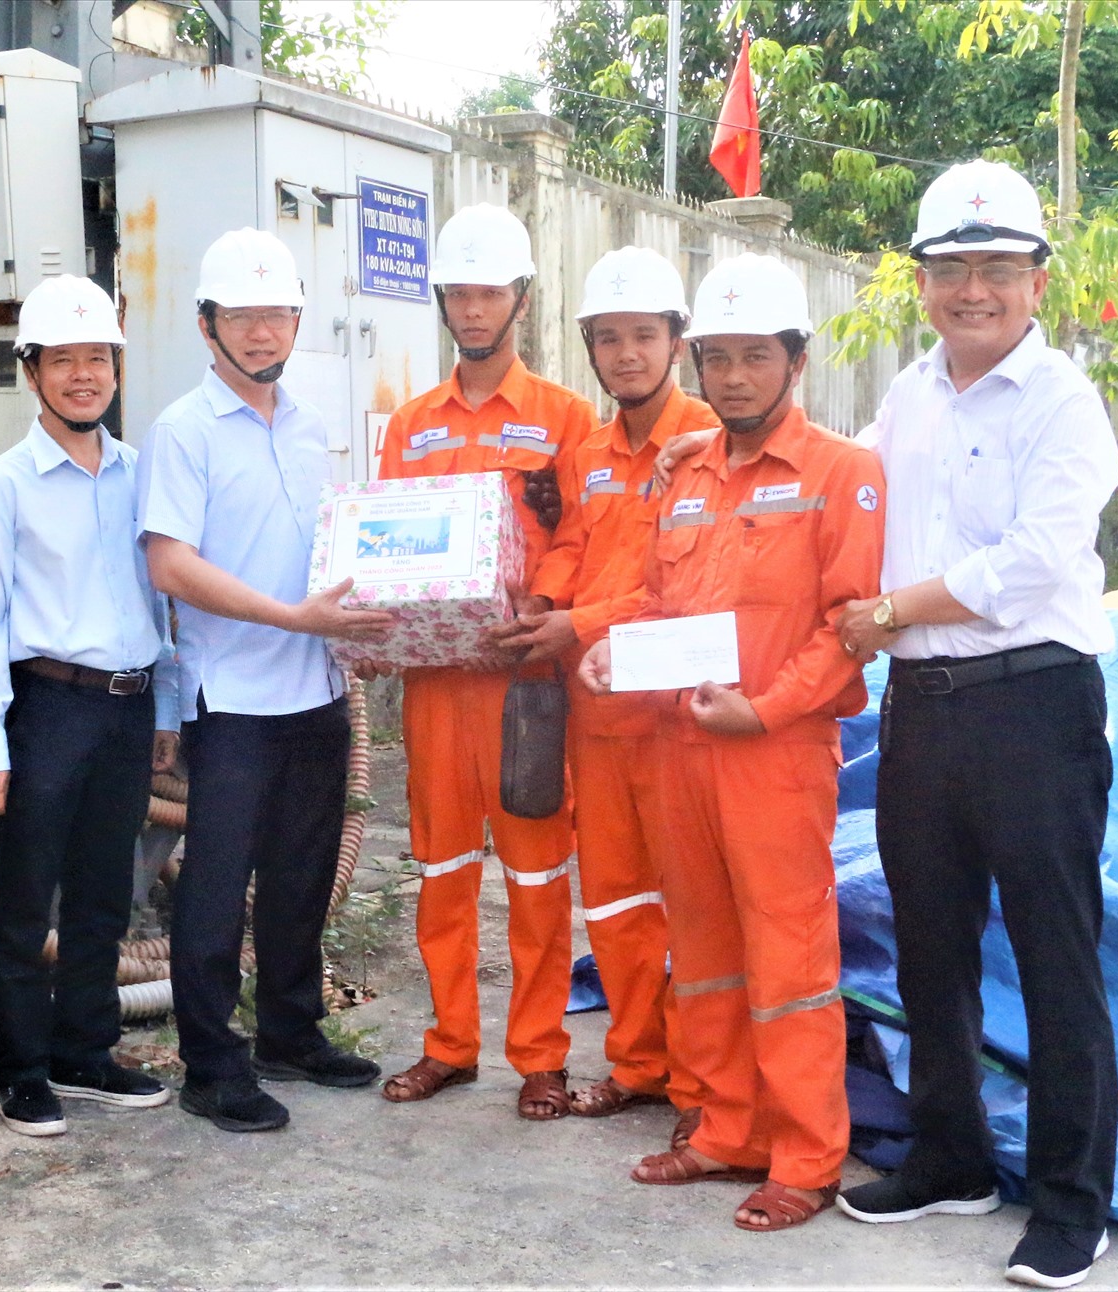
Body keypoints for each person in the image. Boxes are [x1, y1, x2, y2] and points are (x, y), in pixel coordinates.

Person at [830, 160, 1118, 1290]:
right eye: (951, 269)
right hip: (924, 715)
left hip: (1033, 704)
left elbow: (1037, 559)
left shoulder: (1061, 402)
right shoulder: (908, 396)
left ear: (1036, 283)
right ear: (920, 281)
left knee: (1055, 961)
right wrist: (706, 449)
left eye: (996, 268)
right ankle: (949, 1155)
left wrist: (889, 610)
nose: (972, 290)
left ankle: (1068, 1201)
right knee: (929, 946)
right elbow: (838, 479)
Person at [579, 252, 885, 1232]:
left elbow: (848, 625)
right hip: (679, 744)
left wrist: (764, 709)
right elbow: (663, 604)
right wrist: (610, 652)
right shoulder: (682, 476)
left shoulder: (843, 472)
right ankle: (722, 1126)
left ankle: (804, 1154)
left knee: (787, 952)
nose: (733, 376)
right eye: (716, 358)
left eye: (755, 355)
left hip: (774, 750)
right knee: (703, 944)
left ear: (795, 359)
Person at [138, 228, 395, 1132]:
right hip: (236, 699)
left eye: (276, 314)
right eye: (240, 317)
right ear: (207, 327)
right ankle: (212, 1063)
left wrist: (371, 626)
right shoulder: (183, 430)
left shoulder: (312, 426)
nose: (260, 333)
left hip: (317, 688)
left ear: (296, 322)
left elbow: (335, 551)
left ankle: (291, 1029)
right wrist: (294, 620)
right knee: (214, 887)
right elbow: (170, 564)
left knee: (301, 873)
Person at [363, 204, 594, 1122]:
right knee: (443, 871)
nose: (472, 308)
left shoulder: (564, 419)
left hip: (527, 687)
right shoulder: (410, 425)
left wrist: (544, 602)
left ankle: (539, 1056)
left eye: (488, 291)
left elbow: (582, 534)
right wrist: (374, 622)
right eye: (458, 292)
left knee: (538, 876)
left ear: (522, 302)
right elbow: (381, 543)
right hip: (434, 688)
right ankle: (449, 1046)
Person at [500, 246, 717, 1143]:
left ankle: (707, 1085)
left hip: (675, 716)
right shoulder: (588, 450)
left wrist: (577, 626)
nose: (627, 354)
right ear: (589, 346)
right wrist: (543, 600)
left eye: (644, 336)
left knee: (695, 904)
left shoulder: (710, 435)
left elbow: (684, 585)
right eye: (609, 338)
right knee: (619, 902)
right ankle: (639, 1065)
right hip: (595, 715)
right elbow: (573, 549)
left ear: (675, 343)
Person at [0, 275, 181, 1137]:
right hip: (44, 705)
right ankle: (19, 1067)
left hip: (126, 709)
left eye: (98, 358)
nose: (84, 375)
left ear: (117, 367)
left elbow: (159, 605)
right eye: (64, 360)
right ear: (33, 370)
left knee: (103, 895)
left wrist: (163, 711)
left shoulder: (141, 478)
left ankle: (85, 1051)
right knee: (24, 898)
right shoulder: (1, 489)